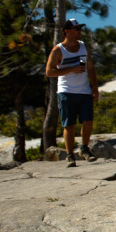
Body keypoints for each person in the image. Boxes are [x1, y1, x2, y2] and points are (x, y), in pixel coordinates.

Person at [45, 19, 100, 165]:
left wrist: (95, 87)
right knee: (69, 125)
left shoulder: (84, 47)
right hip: (66, 91)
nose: (80, 32)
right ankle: (70, 155)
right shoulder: (58, 50)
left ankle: (84, 148)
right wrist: (71, 69)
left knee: (88, 121)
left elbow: (90, 67)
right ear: (67, 31)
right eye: (77, 29)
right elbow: (49, 71)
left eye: (80, 29)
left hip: (84, 91)